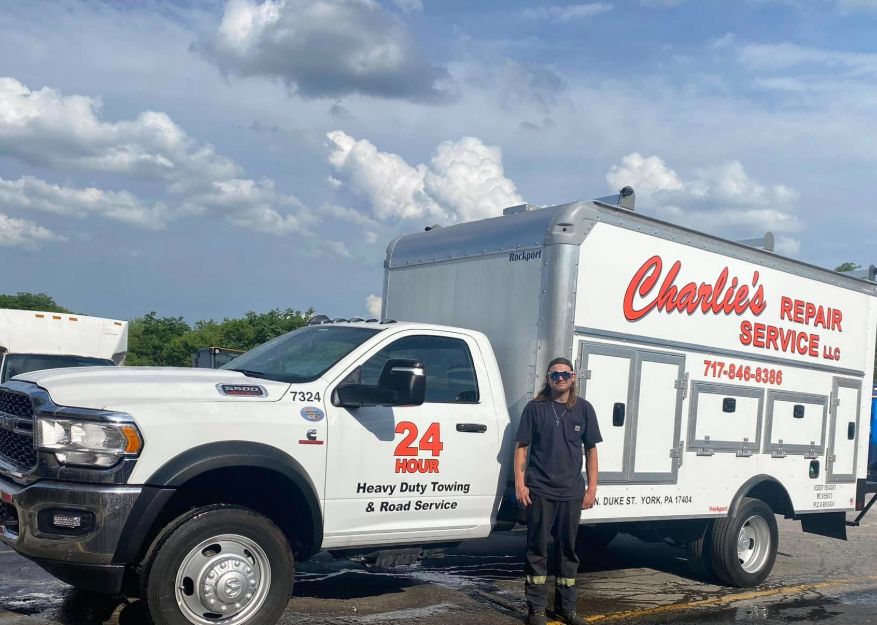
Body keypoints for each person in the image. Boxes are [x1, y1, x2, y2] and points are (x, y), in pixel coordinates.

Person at [514, 357, 602, 625]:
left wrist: (592, 488)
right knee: (537, 551)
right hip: (540, 490)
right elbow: (521, 447)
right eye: (554, 375)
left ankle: (567, 609)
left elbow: (591, 450)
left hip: (572, 493)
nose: (560, 378)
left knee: (568, 552)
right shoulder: (535, 408)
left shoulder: (584, 409)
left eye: (565, 374)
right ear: (548, 379)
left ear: (573, 377)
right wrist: (520, 483)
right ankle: (536, 610)